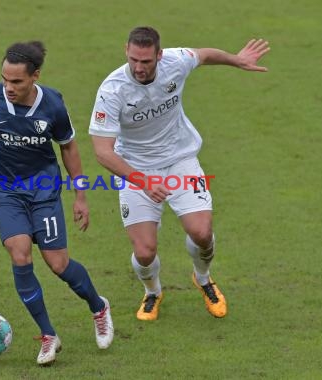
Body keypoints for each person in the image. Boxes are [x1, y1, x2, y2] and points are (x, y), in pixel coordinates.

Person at [0, 41, 113, 366]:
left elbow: (69, 148)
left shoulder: (52, 106)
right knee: (20, 254)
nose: (8, 87)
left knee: (58, 264)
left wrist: (80, 196)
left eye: (17, 82)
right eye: (5, 80)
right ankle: (48, 335)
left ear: (35, 76)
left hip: (44, 191)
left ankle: (98, 307)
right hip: (4, 192)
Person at [89, 26, 270, 321]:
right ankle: (152, 292)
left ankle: (203, 278)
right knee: (145, 251)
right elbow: (103, 151)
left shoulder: (175, 61)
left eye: (146, 61)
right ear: (126, 51)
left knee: (202, 232)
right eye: (134, 59)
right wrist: (142, 181)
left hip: (180, 160)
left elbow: (204, 55)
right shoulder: (112, 90)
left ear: (159, 56)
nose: (139, 67)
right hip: (136, 168)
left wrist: (236, 59)